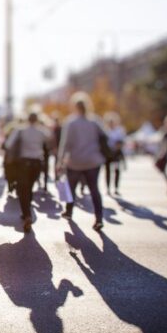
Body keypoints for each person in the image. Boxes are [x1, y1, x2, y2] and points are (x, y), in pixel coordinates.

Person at [57, 92, 106, 232]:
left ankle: (68, 211)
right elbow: (105, 137)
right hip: (93, 160)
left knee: (70, 187)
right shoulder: (95, 121)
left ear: (74, 107)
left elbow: (65, 144)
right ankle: (99, 218)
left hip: (75, 161)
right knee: (94, 189)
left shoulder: (70, 122)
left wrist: (60, 161)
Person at [6, 111, 52, 233]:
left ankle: (27, 214)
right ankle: (27, 212)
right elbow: (50, 139)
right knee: (30, 187)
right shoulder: (42, 131)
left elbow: (8, 144)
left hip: (23, 163)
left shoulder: (20, 130)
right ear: (37, 119)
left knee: (23, 189)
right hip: (37, 163)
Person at [104, 112, 127, 196]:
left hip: (116, 154)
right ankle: (108, 188)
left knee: (117, 170)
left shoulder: (119, 130)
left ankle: (116, 188)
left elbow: (122, 141)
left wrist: (118, 145)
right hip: (108, 154)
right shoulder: (105, 130)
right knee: (107, 171)